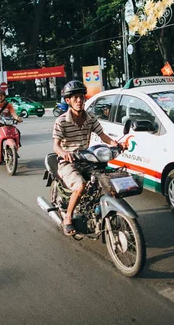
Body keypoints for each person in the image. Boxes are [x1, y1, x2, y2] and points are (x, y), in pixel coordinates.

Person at [52, 80, 121, 236]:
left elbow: (103, 135)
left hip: (86, 158)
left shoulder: (90, 117)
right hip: (67, 162)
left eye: (81, 97)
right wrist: (63, 153)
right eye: (75, 97)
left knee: (107, 180)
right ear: (68, 100)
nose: (79, 100)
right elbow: (55, 146)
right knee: (80, 186)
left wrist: (116, 144)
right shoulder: (61, 121)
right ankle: (68, 218)